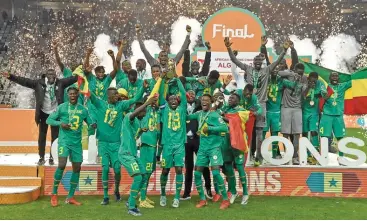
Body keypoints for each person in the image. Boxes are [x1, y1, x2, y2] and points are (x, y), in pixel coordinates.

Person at [225, 37, 289, 165]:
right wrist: (228, 48)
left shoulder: (267, 70)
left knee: (260, 132)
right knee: (244, 130)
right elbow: (234, 60)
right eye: (256, 60)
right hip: (248, 104)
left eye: (260, 60)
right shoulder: (248, 69)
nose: (258, 62)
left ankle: (259, 157)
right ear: (253, 62)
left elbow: (278, 61)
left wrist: (284, 50)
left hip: (262, 104)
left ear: (263, 61)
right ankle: (244, 156)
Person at [1, 70, 77, 165]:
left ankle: (52, 157)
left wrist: (84, 73)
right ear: (45, 76)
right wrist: (10, 76)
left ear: (55, 76)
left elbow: (73, 79)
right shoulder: (38, 83)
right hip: (43, 113)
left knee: (55, 136)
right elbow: (24, 81)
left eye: (53, 74)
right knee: (42, 136)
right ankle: (41, 157)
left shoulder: (60, 83)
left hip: (55, 114)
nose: (51, 76)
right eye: (49, 74)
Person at [89, 86, 144, 205]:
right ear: (108, 96)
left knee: (117, 170)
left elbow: (135, 99)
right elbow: (90, 94)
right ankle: (105, 196)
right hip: (103, 143)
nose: (117, 96)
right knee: (104, 168)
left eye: (117, 94)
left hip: (116, 144)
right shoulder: (100, 104)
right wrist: (83, 79)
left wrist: (143, 89)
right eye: (115, 95)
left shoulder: (120, 106)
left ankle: (116, 189)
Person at [47, 87, 96, 206]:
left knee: (77, 168)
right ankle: (54, 194)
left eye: (74, 94)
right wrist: (60, 123)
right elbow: (49, 120)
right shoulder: (62, 107)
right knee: (62, 164)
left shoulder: (83, 110)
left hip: (76, 144)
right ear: (68, 95)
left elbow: (90, 122)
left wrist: (92, 125)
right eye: (71, 94)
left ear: (78, 94)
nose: (73, 96)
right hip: (64, 141)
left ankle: (70, 197)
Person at [187, 94, 230, 210]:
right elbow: (187, 117)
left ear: (211, 102)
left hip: (214, 148)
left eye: (206, 100)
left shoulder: (215, 115)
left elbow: (225, 128)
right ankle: (202, 199)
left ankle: (225, 200)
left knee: (216, 173)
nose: (203, 101)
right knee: (197, 174)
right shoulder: (199, 114)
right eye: (202, 100)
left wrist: (210, 128)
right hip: (202, 149)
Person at [119, 96, 157, 216]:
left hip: (133, 154)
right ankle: (131, 207)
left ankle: (131, 200)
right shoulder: (128, 116)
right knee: (138, 178)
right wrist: (147, 103)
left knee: (144, 175)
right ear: (138, 110)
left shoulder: (136, 122)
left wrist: (141, 131)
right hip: (126, 154)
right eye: (144, 111)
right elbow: (133, 114)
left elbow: (133, 136)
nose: (145, 114)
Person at [159, 77, 187, 208]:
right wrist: (163, 81)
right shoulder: (164, 110)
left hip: (179, 145)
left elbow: (183, 93)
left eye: (175, 99)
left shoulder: (182, 109)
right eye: (171, 99)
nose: (173, 101)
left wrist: (177, 79)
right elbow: (160, 96)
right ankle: (163, 194)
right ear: (168, 102)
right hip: (167, 146)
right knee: (165, 171)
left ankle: (176, 197)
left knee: (179, 169)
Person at [181, 90, 212, 200]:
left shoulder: (201, 108)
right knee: (188, 167)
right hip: (186, 141)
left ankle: (208, 189)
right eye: (188, 94)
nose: (191, 95)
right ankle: (187, 193)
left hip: (199, 140)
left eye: (193, 94)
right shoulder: (182, 107)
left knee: (204, 165)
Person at [221, 93, 249, 205]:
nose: (230, 99)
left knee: (239, 167)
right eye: (229, 98)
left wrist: (222, 116)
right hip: (226, 140)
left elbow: (234, 121)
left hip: (238, 140)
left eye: (232, 98)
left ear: (238, 100)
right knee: (227, 166)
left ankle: (245, 193)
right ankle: (233, 191)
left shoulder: (242, 111)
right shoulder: (225, 109)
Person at [278, 64, 308, 165]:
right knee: (285, 133)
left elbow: (305, 92)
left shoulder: (304, 80)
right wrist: (292, 74)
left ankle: (295, 156)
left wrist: (302, 81)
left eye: (301, 73)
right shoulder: (286, 78)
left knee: (296, 134)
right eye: (298, 72)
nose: (299, 74)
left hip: (297, 109)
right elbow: (278, 73)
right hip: (286, 107)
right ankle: (286, 156)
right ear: (294, 70)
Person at [319, 72, 352, 163]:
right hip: (327, 116)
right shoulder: (325, 86)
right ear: (329, 78)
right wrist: (328, 91)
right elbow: (324, 97)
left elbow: (355, 81)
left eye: (336, 76)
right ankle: (323, 158)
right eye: (333, 76)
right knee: (324, 137)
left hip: (338, 116)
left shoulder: (343, 86)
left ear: (338, 78)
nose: (334, 77)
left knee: (340, 137)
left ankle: (341, 157)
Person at [139, 94, 161, 208]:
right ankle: (142, 199)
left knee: (150, 171)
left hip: (153, 145)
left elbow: (158, 129)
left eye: (156, 100)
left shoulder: (157, 112)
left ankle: (144, 195)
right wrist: (148, 102)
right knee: (145, 173)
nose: (154, 102)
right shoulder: (145, 110)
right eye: (152, 100)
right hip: (146, 145)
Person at [302, 72, 327, 164]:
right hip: (304, 112)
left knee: (313, 132)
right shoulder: (304, 84)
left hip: (314, 112)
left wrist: (319, 93)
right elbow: (303, 96)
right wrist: (309, 87)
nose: (314, 81)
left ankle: (315, 154)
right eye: (312, 79)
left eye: (315, 79)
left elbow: (324, 94)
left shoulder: (320, 83)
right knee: (305, 133)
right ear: (308, 79)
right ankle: (307, 154)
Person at [236, 84, 263, 166]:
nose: (248, 96)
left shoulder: (254, 98)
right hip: (238, 119)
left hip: (248, 120)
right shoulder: (238, 93)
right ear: (243, 90)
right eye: (247, 94)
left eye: (250, 94)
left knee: (249, 137)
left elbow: (260, 109)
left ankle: (249, 155)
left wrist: (256, 113)